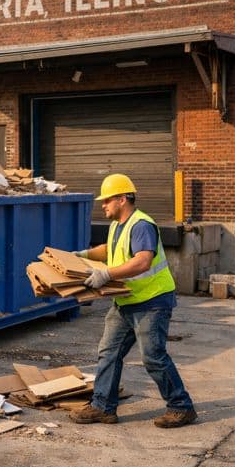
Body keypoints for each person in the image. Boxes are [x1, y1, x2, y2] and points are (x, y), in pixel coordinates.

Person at [70, 173, 197, 429]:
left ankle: (181, 407)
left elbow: (142, 261)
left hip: (152, 301)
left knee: (153, 357)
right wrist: (80, 255)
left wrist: (106, 273)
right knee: (108, 352)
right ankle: (103, 407)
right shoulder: (120, 224)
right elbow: (109, 249)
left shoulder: (141, 224)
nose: (102, 205)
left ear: (123, 198)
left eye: (107, 200)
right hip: (127, 299)